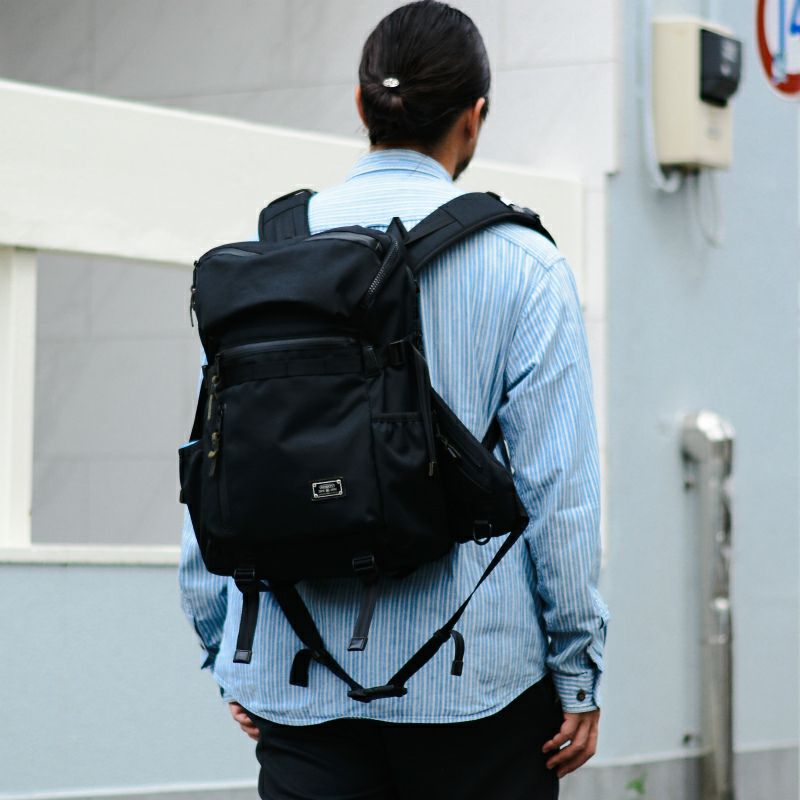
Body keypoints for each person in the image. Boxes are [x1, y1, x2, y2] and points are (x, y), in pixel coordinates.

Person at [179, 3, 608, 798]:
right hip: (477, 687)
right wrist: (577, 669)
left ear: (360, 103)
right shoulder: (524, 265)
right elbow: (561, 493)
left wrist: (226, 649)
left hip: (300, 680)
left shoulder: (268, 260)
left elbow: (214, 464)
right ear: (473, 117)